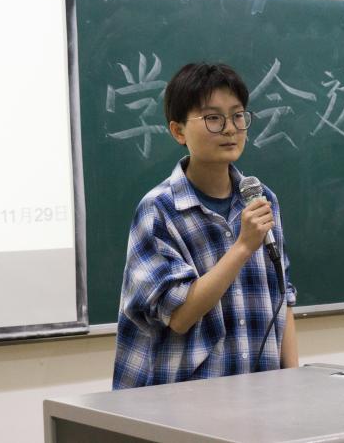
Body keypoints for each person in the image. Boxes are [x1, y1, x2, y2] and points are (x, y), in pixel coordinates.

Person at [112, 62, 298, 390]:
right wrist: (243, 247)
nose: (230, 129)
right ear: (178, 131)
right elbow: (180, 316)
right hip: (178, 401)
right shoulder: (159, 209)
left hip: (260, 397)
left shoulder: (261, 198)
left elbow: (283, 298)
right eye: (213, 118)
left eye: (238, 115)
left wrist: (293, 382)